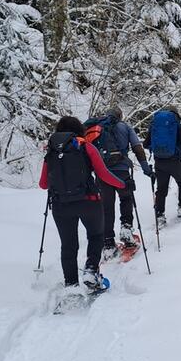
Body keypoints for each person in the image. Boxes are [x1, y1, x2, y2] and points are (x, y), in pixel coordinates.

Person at [39, 116, 126, 290]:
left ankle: (71, 285)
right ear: (79, 129)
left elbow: (43, 184)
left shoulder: (51, 151)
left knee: (68, 244)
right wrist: (123, 184)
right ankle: (91, 271)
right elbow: (103, 174)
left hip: (60, 205)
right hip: (88, 202)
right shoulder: (86, 146)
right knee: (96, 236)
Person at [83, 107, 154, 256]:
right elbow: (137, 148)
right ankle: (126, 230)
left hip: (102, 174)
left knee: (106, 207)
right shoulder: (125, 127)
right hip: (121, 172)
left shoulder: (95, 128)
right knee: (126, 199)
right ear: (120, 116)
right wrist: (146, 169)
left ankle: (108, 243)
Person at [143, 107, 181, 228]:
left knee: (161, 190)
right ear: (176, 115)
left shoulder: (155, 123)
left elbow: (145, 144)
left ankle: (160, 216)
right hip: (174, 162)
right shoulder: (176, 124)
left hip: (159, 163)